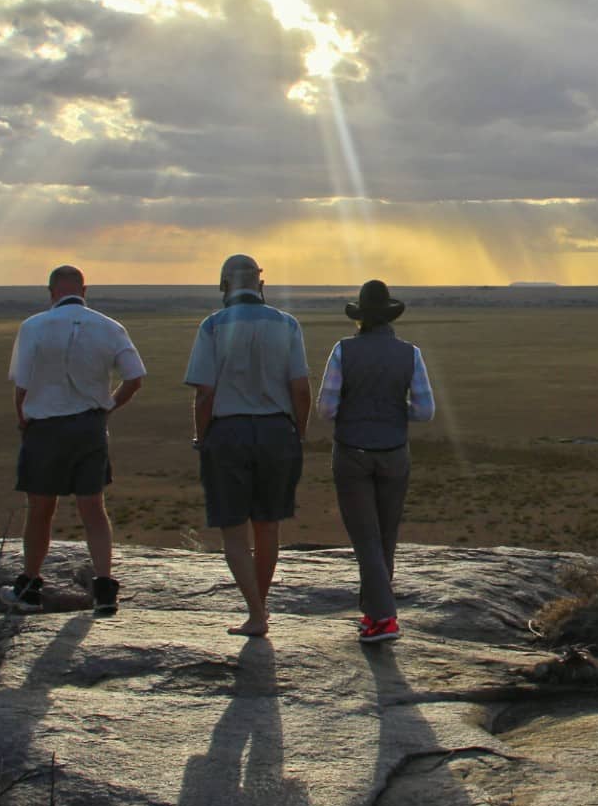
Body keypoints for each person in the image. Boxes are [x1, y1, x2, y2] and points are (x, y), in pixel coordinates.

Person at [1, 265, 145, 615]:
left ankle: (30, 587)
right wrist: (106, 408)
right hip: (89, 427)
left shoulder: (33, 326)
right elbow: (135, 377)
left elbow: (21, 386)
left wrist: (24, 421)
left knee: (40, 509)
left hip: (45, 428)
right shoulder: (109, 326)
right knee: (93, 508)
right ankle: (105, 588)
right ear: (85, 290)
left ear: (51, 292)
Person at [185, 254, 312, 638]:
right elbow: (301, 388)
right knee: (268, 526)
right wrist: (299, 433)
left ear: (223, 284)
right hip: (278, 432)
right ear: (261, 284)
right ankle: (261, 608)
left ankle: (256, 613)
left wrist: (202, 437)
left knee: (234, 532)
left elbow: (204, 393)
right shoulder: (287, 324)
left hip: (228, 432)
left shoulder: (212, 326)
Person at [321, 279, 434, 643]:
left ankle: (382, 619)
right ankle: (375, 616)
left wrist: (356, 408)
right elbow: (424, 410)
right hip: (395, 452)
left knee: (365, 538)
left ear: (361, 319)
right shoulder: (410, 354)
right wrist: (392, 409)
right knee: (385, 535)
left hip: (352, 450)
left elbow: (326, 408)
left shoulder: (343, 351)